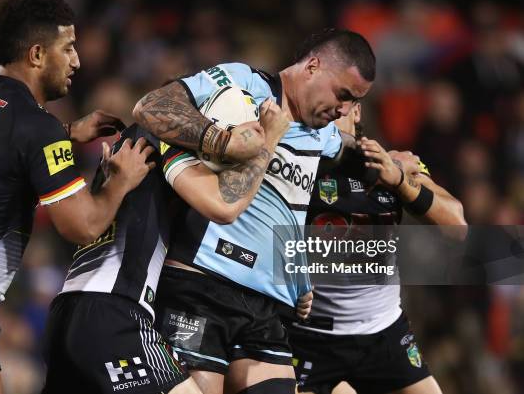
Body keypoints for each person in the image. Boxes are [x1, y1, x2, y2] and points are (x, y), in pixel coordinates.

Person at [0, 0, 158, 394]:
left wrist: (64, 135)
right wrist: (122, 178)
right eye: (69, 48)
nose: (77, 61)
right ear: (38, 54)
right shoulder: (36, 127)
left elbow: (5, 150)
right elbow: (83, 226)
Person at [132, 29, 376, 394]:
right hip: (202, 286)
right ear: (312, 66)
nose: (343, 110)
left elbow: (361, 158)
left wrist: (404, 172)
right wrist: (224, 141)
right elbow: (150, 107)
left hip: (267, 307)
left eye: (353, 102)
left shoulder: (321, 134)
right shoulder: (244, 84)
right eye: (342, 95)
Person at [41, 98, 290, 394]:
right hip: (115, 313)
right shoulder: (160, 142)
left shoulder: (130, 143)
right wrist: (267, 142)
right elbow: (224, 205)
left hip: (66, 310)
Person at [288, 102, 467, 394]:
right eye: (321, 107)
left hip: (383, 333)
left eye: (340, 106)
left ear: (356, 111)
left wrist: (400, 182)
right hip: (311, 337)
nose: (330, 115)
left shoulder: (391, 163)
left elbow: (456, 225)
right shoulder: (295, 163)